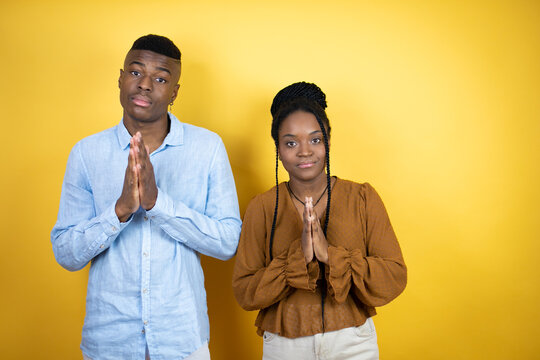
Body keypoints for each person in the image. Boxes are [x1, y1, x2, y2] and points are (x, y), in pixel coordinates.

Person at [51, 34, 241, 360]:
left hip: (182, 341)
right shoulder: (86, 153)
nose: (145, 85)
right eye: (136, 72)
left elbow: (227, 242)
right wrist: (120, 211)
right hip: (109, 342)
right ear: (121, 78)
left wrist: (157, 204)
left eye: (160, 78)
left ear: (174, 92)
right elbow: (66, 252)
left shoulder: (207, 148)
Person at [232, 82, 407, 359]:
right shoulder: (262, 207)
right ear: (277, 148)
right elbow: (245, 292)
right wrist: (298, 257)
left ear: (328, 140)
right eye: (291, 142)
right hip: (284, 344)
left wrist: (329, 255)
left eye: (315, 139)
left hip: (353, 342)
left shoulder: (362, 197)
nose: (305, 151)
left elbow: (394, 277)